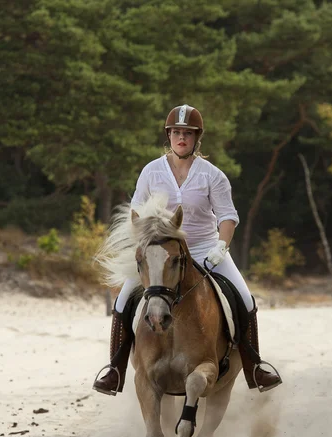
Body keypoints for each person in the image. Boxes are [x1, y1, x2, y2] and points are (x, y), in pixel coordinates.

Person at [93, 104, 282, 395]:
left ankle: (254, 367)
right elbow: (137, 213)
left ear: (197, 138)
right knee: (122, 303)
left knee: (245, 298)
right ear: (168, 136)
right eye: (176, 133)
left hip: (205, 248)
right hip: (161, 252)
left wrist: (221, 245)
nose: (181, 138)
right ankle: (114, 370)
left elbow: (228, 216)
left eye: (188, 134)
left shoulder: (212, 175)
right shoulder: (151, 172)